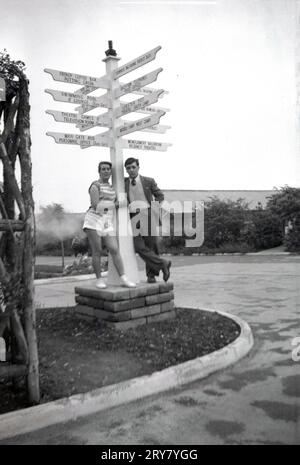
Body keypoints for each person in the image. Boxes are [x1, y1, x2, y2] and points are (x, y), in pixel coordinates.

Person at [83, 161, 136, 289]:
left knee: (114, 249)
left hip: (106, 222)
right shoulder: (95, 186)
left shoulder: (112, 188)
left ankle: (124, 278)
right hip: (93, 220)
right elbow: (97, 206)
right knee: (97, 251)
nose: (106, 171)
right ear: (99, 171)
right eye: (103, 169)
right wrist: (117, 205)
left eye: (108, 169)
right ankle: (99, 280)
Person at [124, 157, 171, 283]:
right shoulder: (123, 183)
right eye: (128, 168)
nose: (131, 170)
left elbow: (160, 195)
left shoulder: (148, 181)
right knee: (138, 246)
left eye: (133, 167)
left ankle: (151, 275)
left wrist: (154, 209)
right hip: (133, 216)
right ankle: (163, 263)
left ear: (138, 167)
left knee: (152, 245)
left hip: (148, 213)